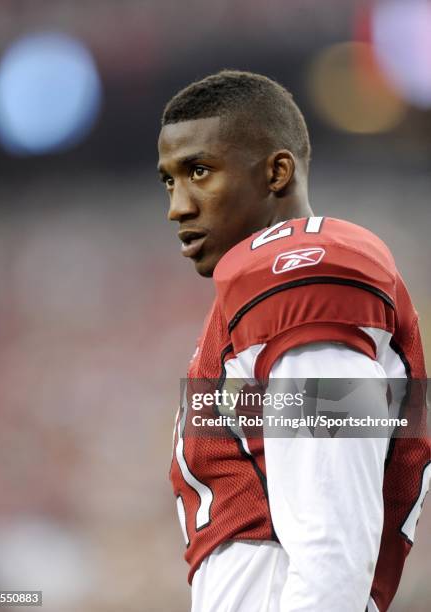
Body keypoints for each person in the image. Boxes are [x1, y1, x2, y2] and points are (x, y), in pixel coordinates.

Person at [157, 70, 430, 612]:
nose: (178, 207)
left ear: (277, 172)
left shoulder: (299, 275)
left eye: (200, 171)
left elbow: (333, 542)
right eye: (170, 181)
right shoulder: (256, 289)